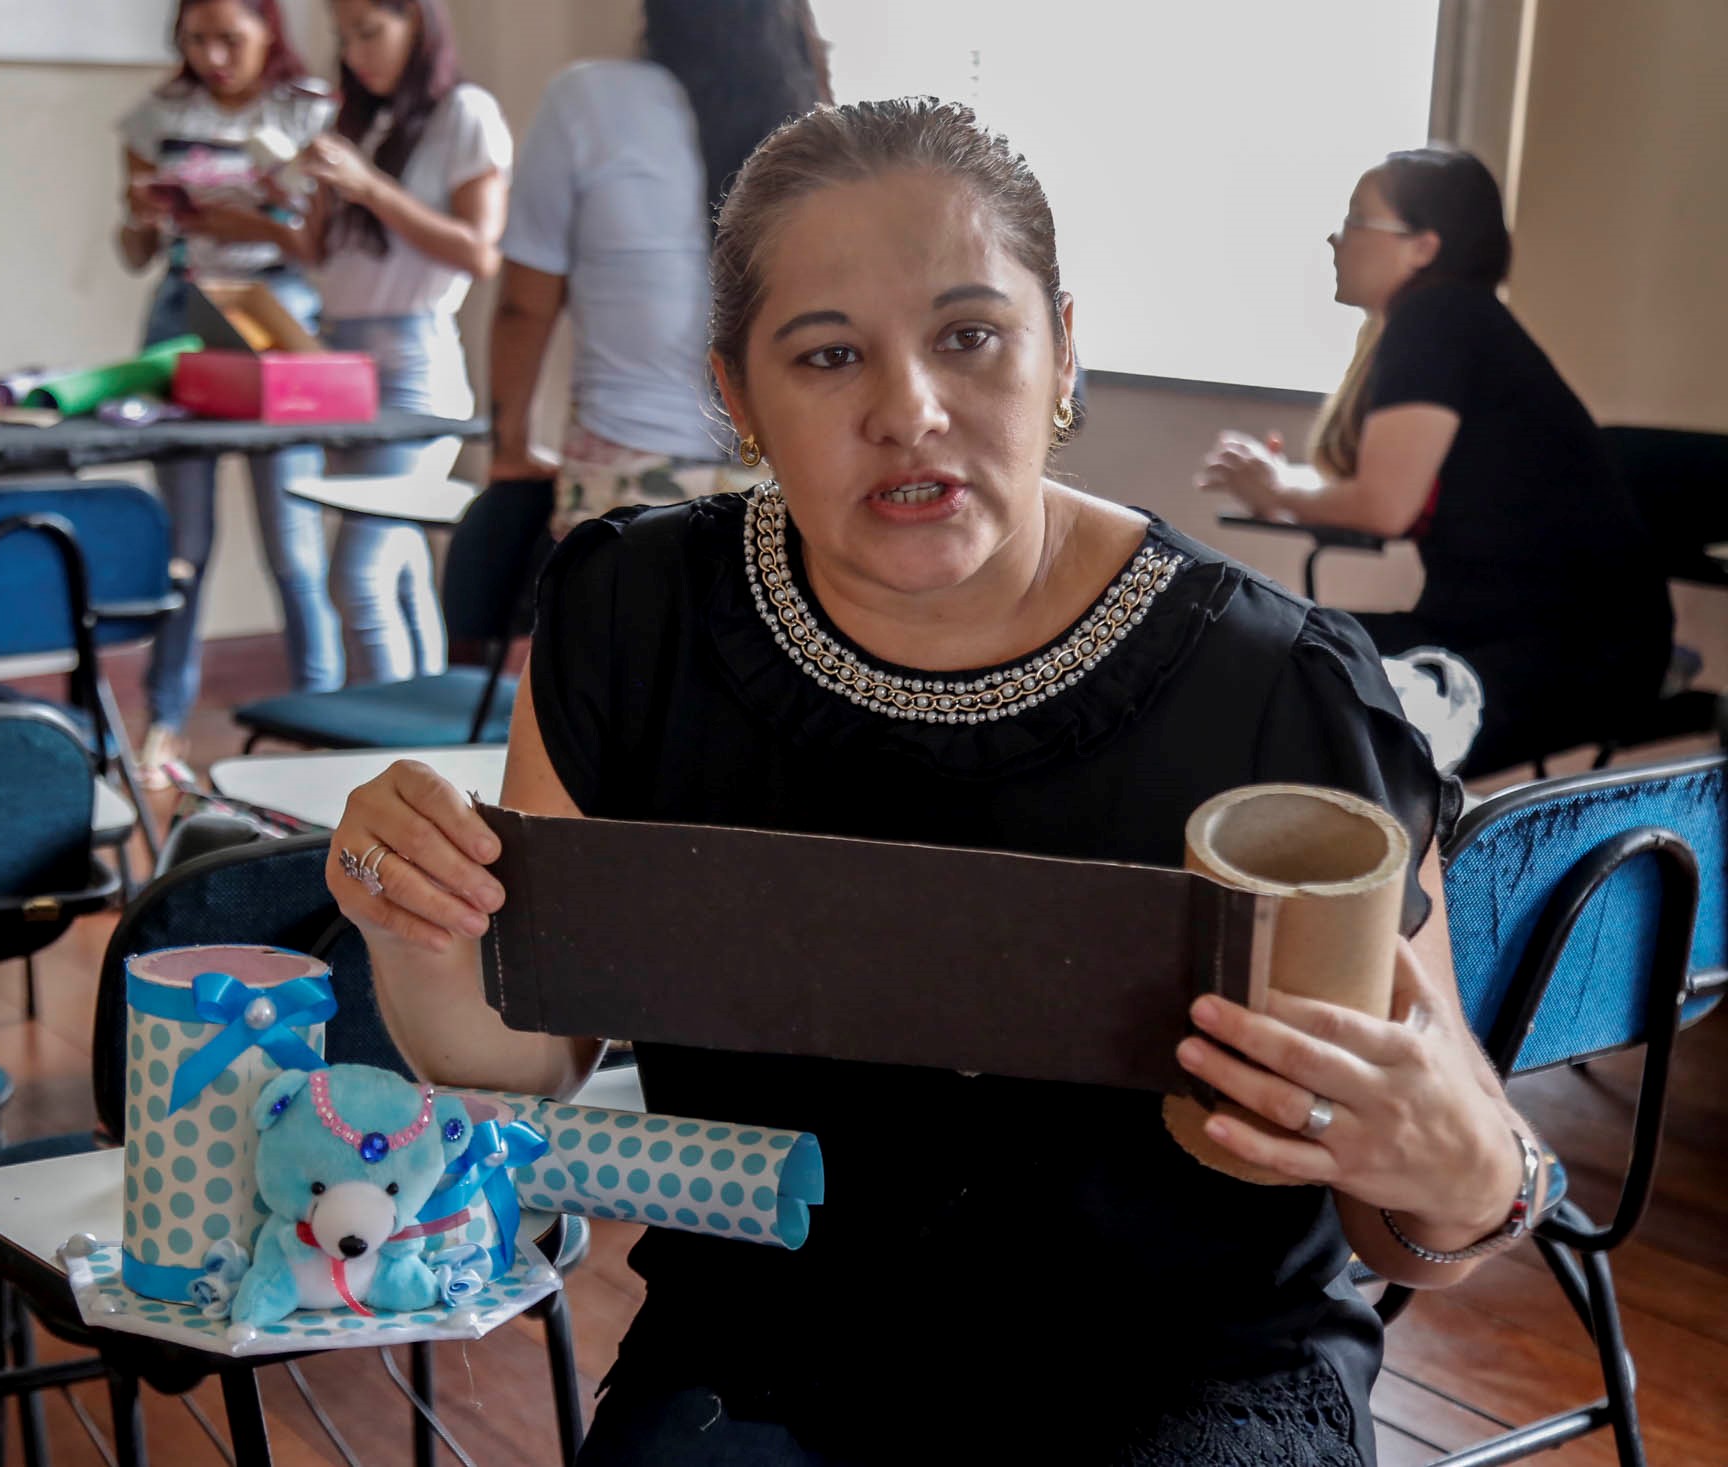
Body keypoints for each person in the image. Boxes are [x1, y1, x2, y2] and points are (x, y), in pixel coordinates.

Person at [328, 101, 1540, 1464]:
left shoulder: (1275, 685)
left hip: (1181, 1370)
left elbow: (1424, 1203)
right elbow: (531, 1056)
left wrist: (1463, 1175)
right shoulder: (633, 614)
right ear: (736, 394)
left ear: (1063, 348)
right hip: (769, 1347)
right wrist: (409, 922)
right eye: (828, 354)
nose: (908, 410)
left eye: (970, 336)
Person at [1197, 147, 1670, 777]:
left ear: (1423, 246)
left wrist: (1280, 486)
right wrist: (1283, 487)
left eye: (1358, 218)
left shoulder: (1438, 319)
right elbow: (1388, 490)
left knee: (1293, 686)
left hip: (1574, 652)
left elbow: (1382, 505)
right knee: (1263, 653)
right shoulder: (1445, 322)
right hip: (1493, 629)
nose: (1337, 238)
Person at [488, 0, 829, 537]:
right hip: (785, 488)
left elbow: (523, 307)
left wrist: (509, 450)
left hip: (624, 487)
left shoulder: (586, 100)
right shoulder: (809, 122)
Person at [251, 0, 510, 685]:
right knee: (396, 565)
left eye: (371, 31)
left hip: (414, 365)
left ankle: (379, 750)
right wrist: (285, 200)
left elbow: (479, 253)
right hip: (342, 365)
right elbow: (323, 256)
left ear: (418, 24)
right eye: (345, 37)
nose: (358, 52)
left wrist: (370, 188)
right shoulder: (357, 121)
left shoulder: (465, 112)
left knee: (356, 575)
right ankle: (430, 751)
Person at [119, 0, 339, 785]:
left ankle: (326, 717)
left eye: (230, 39)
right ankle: (164, 724)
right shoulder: (157, 115)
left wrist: (255, 216)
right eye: (196, 40)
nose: (213, 55)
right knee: (183, 546)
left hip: (276, 310)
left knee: (294, 541)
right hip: (182, 309)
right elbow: (133, 250)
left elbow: (321, 241)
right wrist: (145, 214)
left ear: (268, 32)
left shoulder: (310, 109)